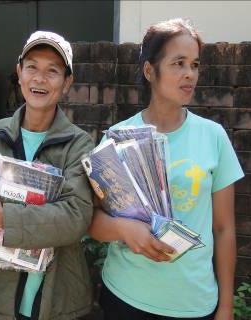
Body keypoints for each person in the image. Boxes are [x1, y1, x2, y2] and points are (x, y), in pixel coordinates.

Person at [88, 18, 244, 320]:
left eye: (195, 65)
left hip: (194, 302)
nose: (190, 75)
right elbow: (92, 221)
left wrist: (225, 307)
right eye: (178, 63)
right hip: (126, 297)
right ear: (150, 70)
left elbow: (224, 229)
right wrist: (123, 228)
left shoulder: (213, 137)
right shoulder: (117, 137)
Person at [0, 31, 94, 320]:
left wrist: (4, 218)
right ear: (19, 73)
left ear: (67, 83)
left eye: (52, 71)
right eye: (32, 67)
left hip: (56, 301)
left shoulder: (79, 143)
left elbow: (75, 216)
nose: (40, 79)